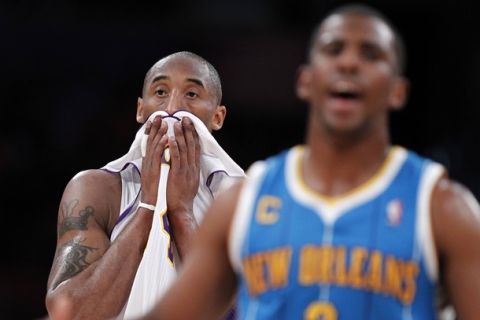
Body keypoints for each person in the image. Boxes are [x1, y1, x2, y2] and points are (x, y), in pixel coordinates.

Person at [141, 5, 480, 320]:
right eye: (333, 50)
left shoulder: (444, 209)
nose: (349, 63)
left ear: (398, 91)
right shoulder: (242, 202)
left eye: (370, 54)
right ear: (305, 81)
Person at [45, 51, 244, 319]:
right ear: (141, 109)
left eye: (192, 94)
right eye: (160, 92)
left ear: (218, 117)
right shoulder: (98, 189)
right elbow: (71, 313)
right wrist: (148, 206)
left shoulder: (243, 200)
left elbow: (247, 311)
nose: (172, 108)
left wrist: (181, 212)